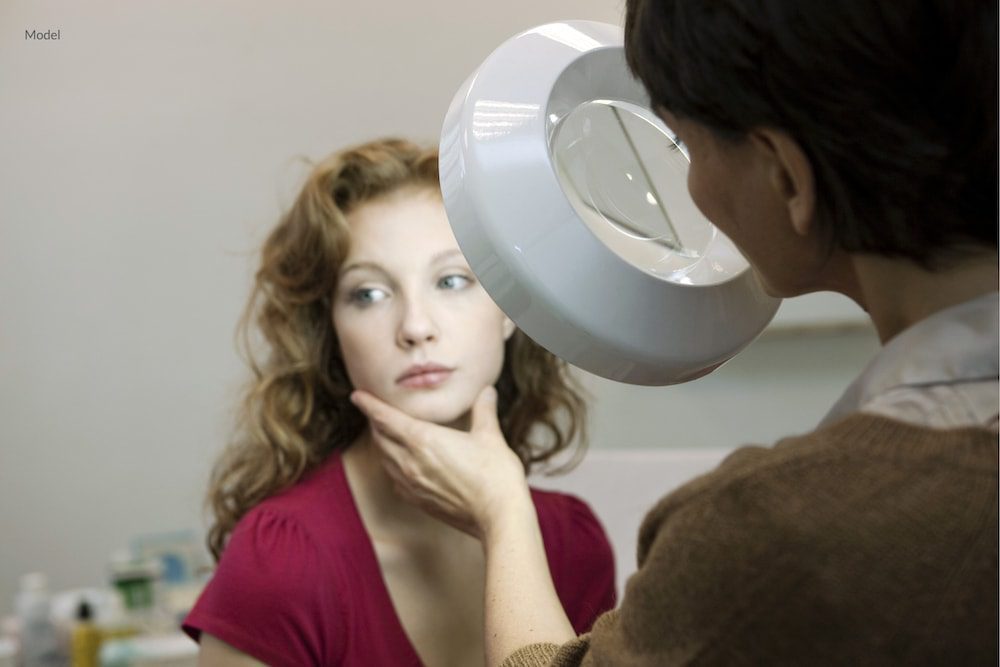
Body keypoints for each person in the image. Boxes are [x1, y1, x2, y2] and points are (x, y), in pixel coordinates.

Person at [349, 2, 999, 665]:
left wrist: (503, 513)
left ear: (787, 176)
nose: (416, 327)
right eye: (367, 292)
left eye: (687, 148)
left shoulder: (786, 532)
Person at [182, 138, 617, 666]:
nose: (415, 327)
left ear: (510, 308)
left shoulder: (573, 544)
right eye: (368, 294)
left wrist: (507, 523)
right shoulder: (282, 559)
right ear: (332, 333)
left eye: (452, 280)